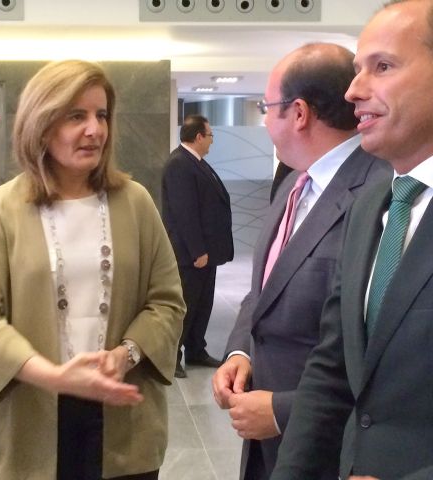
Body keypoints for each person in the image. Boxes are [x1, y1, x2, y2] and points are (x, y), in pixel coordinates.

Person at [0, 59, 185, 480]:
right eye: (76, 116)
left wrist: (127, 354)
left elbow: (167, 302)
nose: (94, 130)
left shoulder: (135, 203)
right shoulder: (0, 211)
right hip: (33, 412)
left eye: (101, 115)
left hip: (123, 412)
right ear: (41, 126)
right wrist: (55, 377)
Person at [211, 43, 390, 480]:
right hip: (265, 442)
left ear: (298, 113)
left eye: (266, 108)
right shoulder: (293, 181)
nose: (264, 121)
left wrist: (282, 411)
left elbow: (381, 349)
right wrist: (242, 350)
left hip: (327, 448)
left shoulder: (382, 192)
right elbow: (266, 288)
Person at [270, 2, 433, 479]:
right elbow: (332, 370)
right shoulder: (371, 207)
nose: (353, 91)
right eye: (358, 69)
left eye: (382, 67)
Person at [162, 114, 234, 378]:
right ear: (199, 136)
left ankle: (195, 349)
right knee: (186, 305)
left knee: (202, 304)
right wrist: (198, 251)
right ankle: (172, 356)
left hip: (206, 254)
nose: (212, 141)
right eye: (210, 135)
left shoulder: (196, 162)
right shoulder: (179, 164)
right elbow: (185, 213)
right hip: (192, 255)